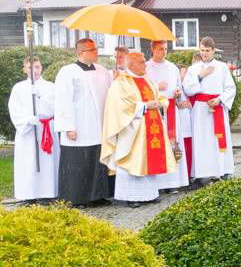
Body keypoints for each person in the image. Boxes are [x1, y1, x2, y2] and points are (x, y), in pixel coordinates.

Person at [101, 52, 177, 207]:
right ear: (131, 65)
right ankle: (132, 197)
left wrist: (160, 103)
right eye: (142, 62)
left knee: (150, 161)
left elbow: (158, 96)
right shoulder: (120, 83)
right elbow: (119, 106)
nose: (145, 65)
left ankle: (150, 194)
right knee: (133, 162)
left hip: (151, 126)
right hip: (132, 130)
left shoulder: (147, 80)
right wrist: (144, 106)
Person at [54, 38, 114, 206]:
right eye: (92, 50)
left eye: (96, 49)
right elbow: (63, 101)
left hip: (99, 125)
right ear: (80, 52)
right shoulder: (67, 72)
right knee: (79, 161)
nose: (97, 52)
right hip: (79, 125)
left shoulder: (102, 70)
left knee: (98, 159)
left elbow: (112, 94)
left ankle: (99, 194)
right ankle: (77, 197)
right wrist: (68, 127)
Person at [182, 36, 236, 183]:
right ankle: (199, 174)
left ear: (213, 51)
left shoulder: (222, 67)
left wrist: (219, 99)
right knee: (200, 141)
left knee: (216, 140)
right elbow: (187, 88)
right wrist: (200, 76)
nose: (204, 53)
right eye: (202, 50)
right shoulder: (193, 69)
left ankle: (221, 171)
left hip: (216, 107)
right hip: (200, 110)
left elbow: (231, 88)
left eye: (207, 50)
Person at [7, 57, 60, 202]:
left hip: (45, 128)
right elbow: (14, 108)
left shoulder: (50, 86)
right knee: (28, 160)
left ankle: (48, 193)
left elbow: (56, 107)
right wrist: (28, 120)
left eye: (37, 67)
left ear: (41, 67)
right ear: (24, 69)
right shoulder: (18, 87)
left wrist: (40, 96)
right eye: (30, 67)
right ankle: (28, 194)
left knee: (47, 161)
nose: (34, 71)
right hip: (28, 131)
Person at [146, 40, 189, 192]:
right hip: (155, 111)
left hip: (171, 111)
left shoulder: (172, 67)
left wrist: (178, 93)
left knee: (172, 143)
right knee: (158, 144)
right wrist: (157, 87)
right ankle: (158, 183)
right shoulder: (146, 67)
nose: (163, 52)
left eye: (165, 49)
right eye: (159, 49)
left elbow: (179, 87)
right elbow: (142, 89)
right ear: (152, 49)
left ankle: (172, 182)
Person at [177, 63, 195, 182]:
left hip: (189, 122)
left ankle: (189, 175)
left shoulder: (189, 87)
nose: (186, 75)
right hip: (180, 123)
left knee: (189, 150)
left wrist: (189, 103)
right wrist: (177, 104)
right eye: (184, 72)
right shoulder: (176, 87)